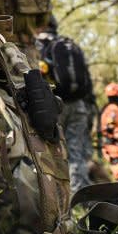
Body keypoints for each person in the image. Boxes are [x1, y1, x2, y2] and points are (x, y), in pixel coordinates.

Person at [37, 18, 95, 195]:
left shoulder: (40, 45)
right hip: (79, 105)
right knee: (76, 153)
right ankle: (80, 198)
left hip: (55, 103)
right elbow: (88, 81)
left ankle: (58, 197)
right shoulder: (70, 45)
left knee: (51, 151)